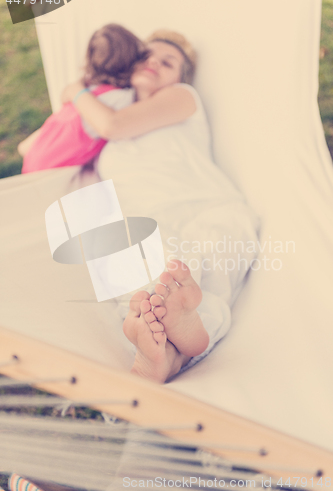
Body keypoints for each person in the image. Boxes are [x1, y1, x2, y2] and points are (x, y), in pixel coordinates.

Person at [61, 30, 259, 383]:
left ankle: (174, 329)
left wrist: (75, 92)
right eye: (146, 56)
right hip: (144, 220)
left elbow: (114, 125)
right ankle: (168, 351)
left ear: (179, 77)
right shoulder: (107, 106)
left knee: (203, 268)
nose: (154, 63)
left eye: (167, 62)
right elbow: (31, 150)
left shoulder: (182, 97)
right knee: (148, 279)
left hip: (207, 205)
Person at [18, 24, 147, 173]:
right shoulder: (120, 98)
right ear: (133, 59)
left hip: (35, 160)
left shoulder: (88, 89)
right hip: (52, 172)